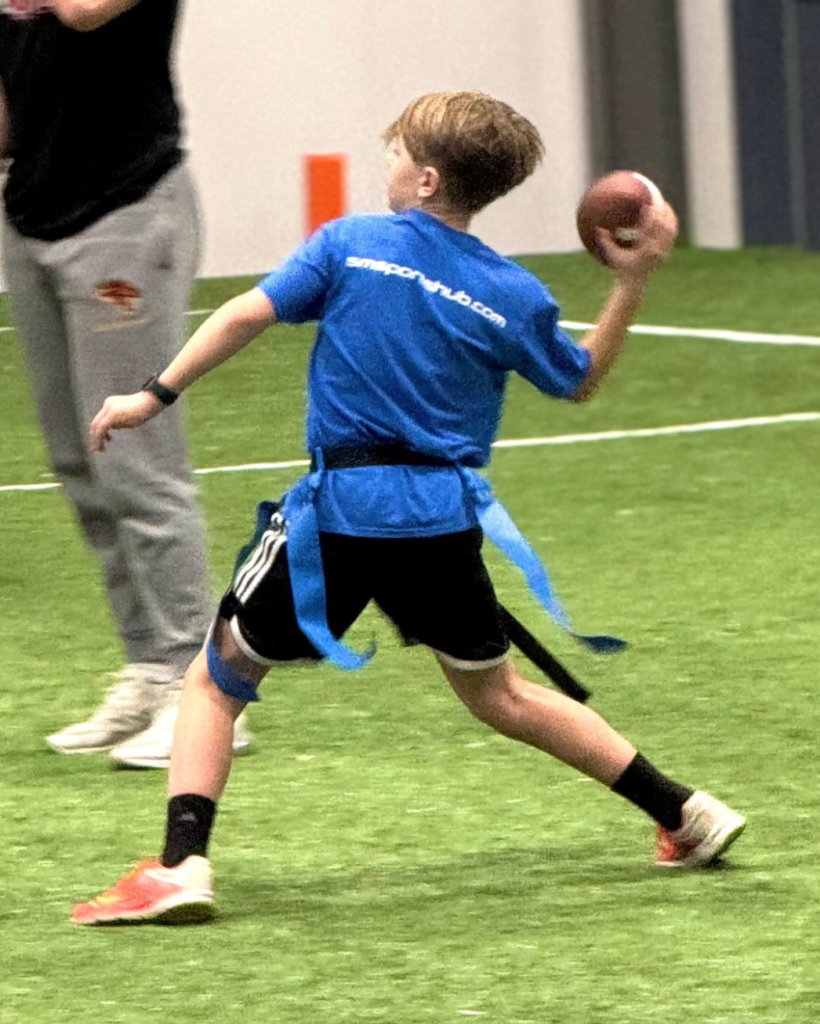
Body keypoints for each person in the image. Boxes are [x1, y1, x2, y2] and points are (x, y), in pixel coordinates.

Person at [71, 90, 745, 925]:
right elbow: (579, 380)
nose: (383, 162)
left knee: (217, 677)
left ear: (424, 179)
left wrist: (153, 394)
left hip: (340, 515)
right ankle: (685, 813)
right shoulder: (513, 292)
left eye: (393, 153)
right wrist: (633, 281)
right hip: (438, 522)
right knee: (501, 696)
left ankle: (180, 866)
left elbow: (246, 313)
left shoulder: (351, 245)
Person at [0, 0, 251, 767]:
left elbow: (81, 11)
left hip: (125, 210)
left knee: (138, 463)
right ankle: (150, 664)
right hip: (30, 209)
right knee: (80, 463)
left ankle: (206, 691)